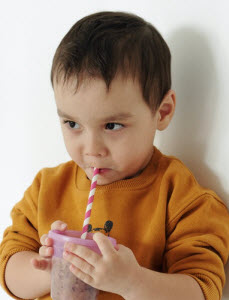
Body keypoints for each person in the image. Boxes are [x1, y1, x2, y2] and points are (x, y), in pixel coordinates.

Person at [0, 10, 229, 300]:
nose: (91, 148)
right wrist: (49, 271)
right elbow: (9, 267)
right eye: (72, 124)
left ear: (162, 112)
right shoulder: (47, 188)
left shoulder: (180, 196)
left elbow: (201, 289)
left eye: (112, 125)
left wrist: (132, 282)